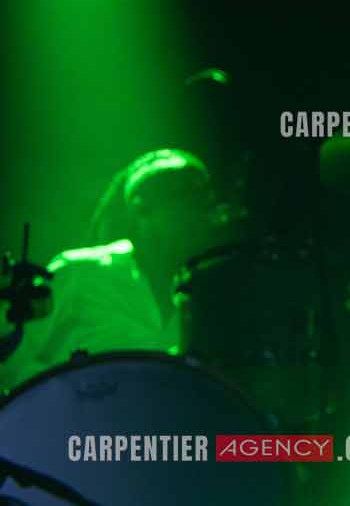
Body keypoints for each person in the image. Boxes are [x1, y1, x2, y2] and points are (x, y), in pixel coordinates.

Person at [0, 149, 226, 394]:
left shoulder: (205, 299)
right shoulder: (79, 271)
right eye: (186, 200)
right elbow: (8, 358)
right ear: (141, 208)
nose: (201, 216)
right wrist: (68, 396)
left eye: (206, 203)